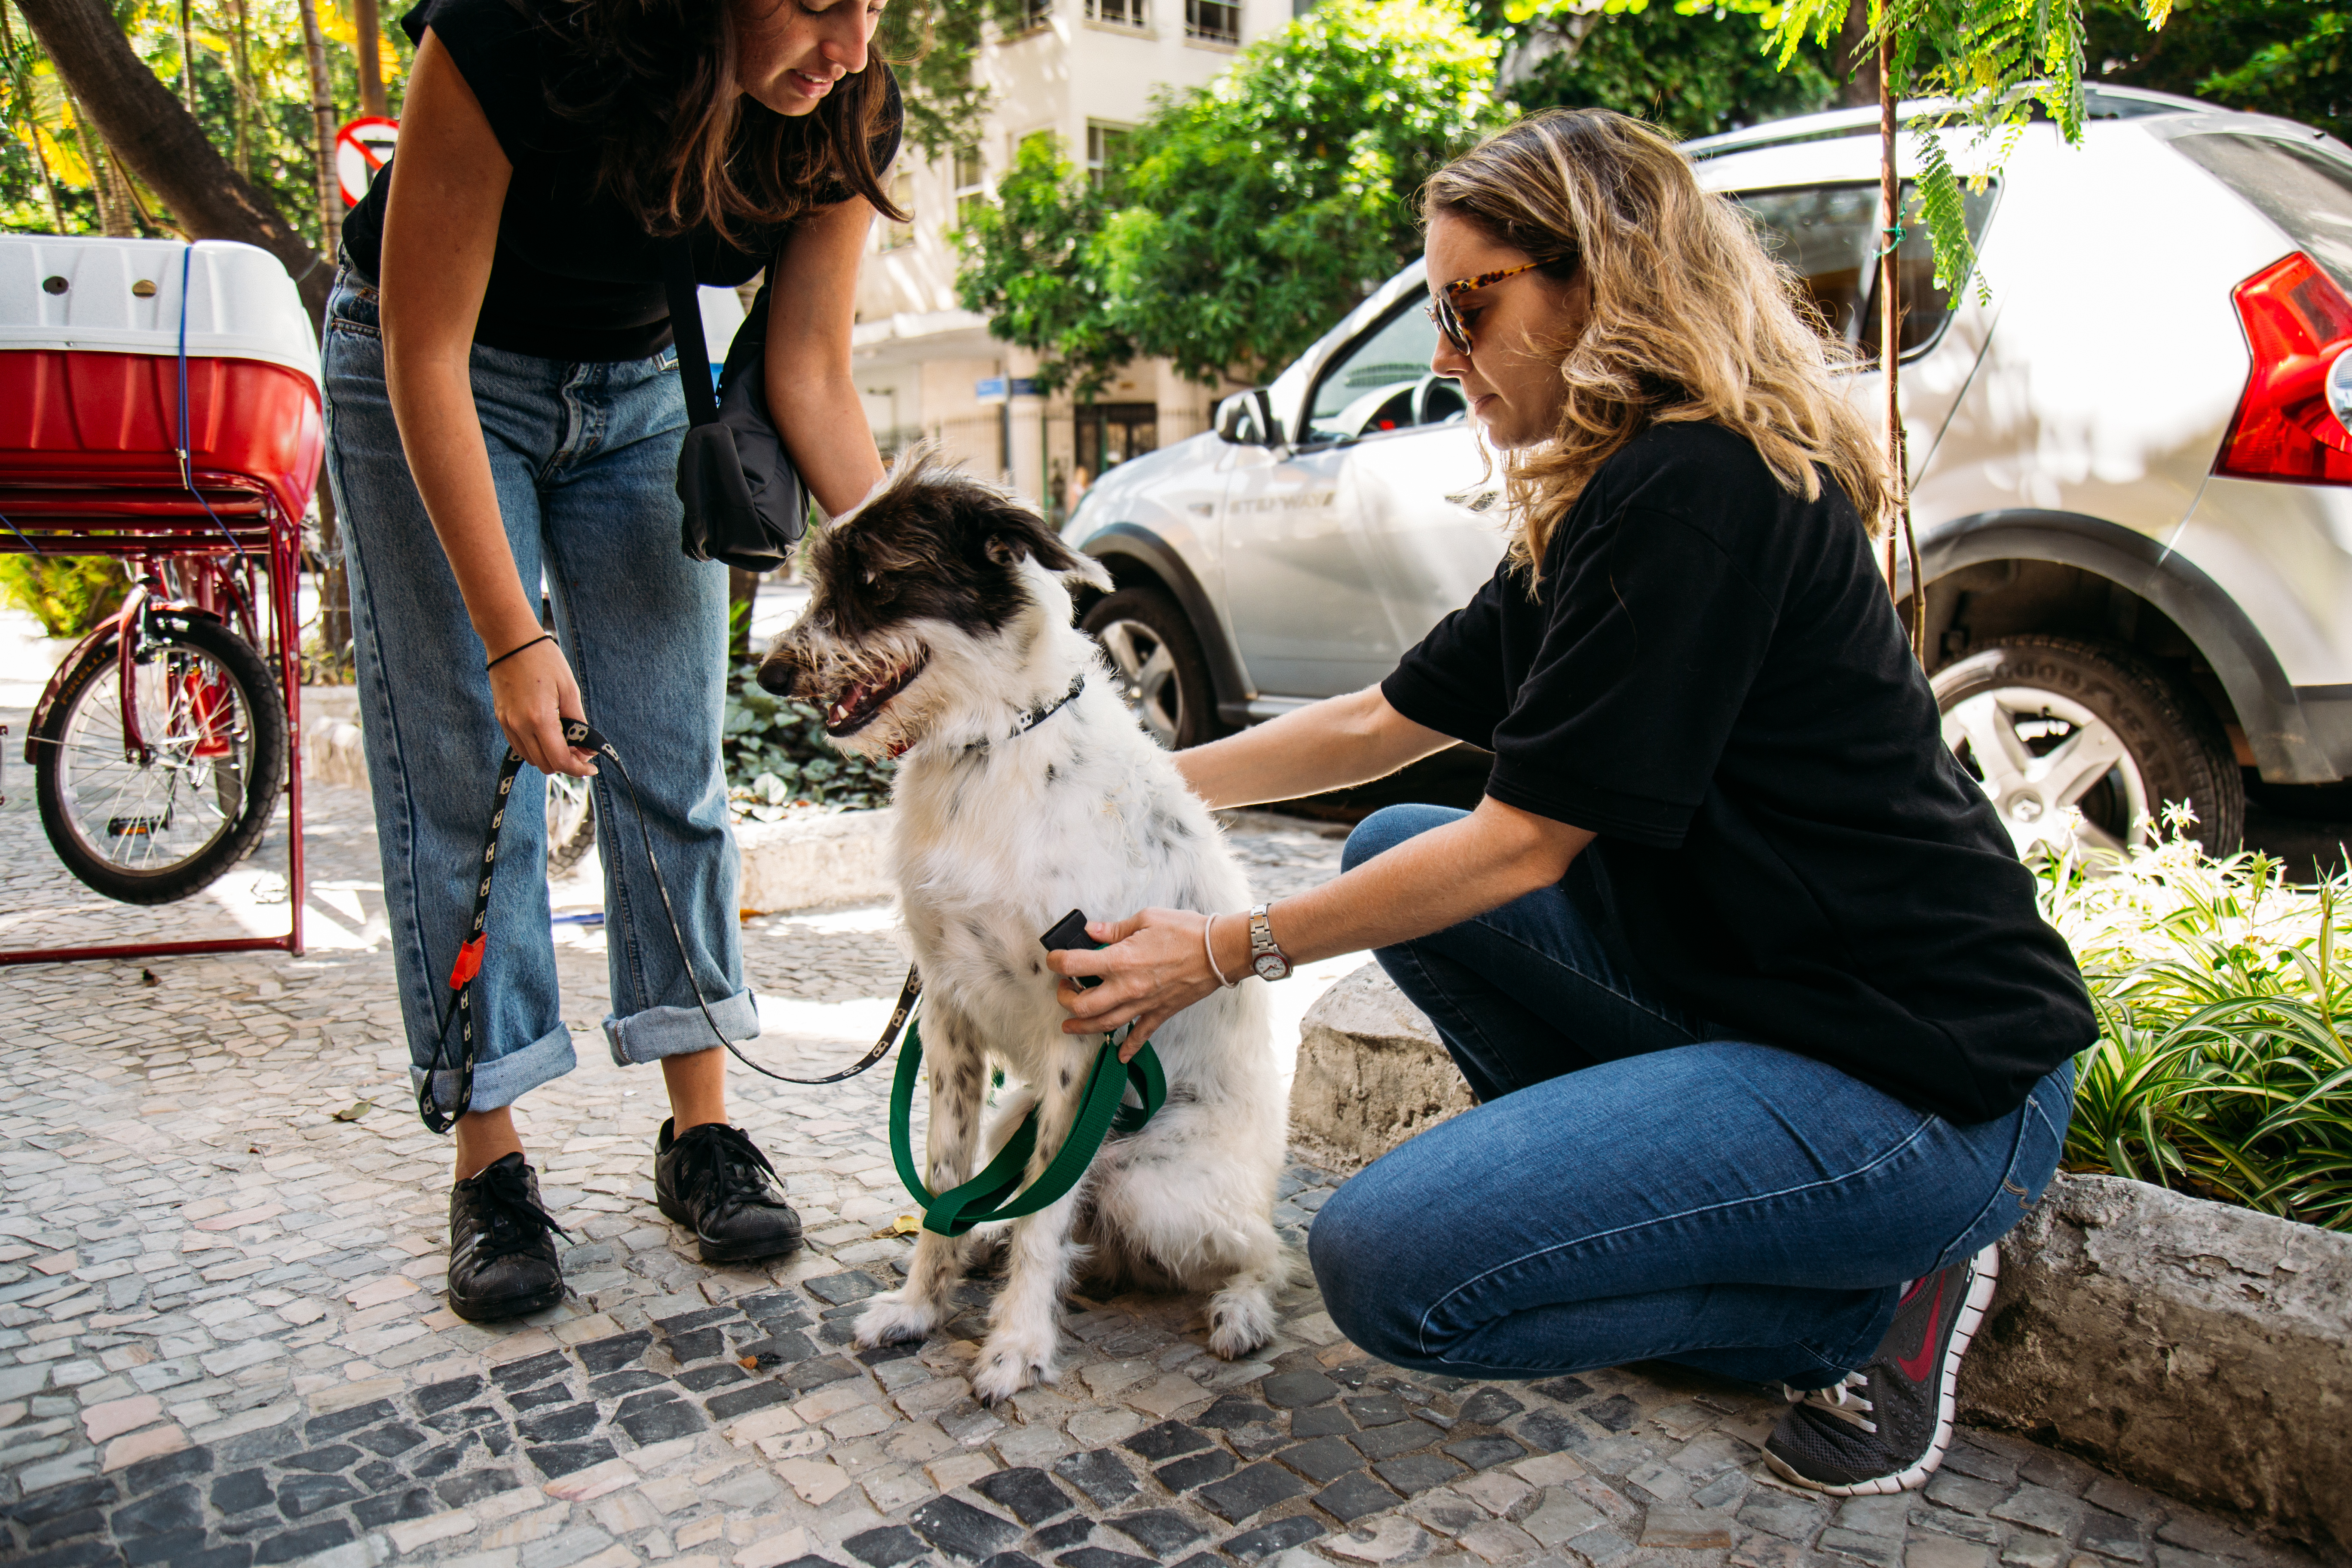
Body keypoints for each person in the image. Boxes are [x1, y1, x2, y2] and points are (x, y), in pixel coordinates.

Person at [1047, 109, 2092, 1497]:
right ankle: (1658, 1220)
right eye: (1437, 310)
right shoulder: (1619, 493)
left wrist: (1222, 951)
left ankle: (1864, 1305)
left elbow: (1525, 845)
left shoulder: (1696, 490)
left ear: (1599, 278)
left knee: (1391, 1267)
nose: (1444, 354)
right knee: (1393, 841)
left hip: (1928, 1083)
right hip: (1777, 1004)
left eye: (1471, 305)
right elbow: (1381, 723)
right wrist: (1112, 785)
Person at [323, 0, 903, 1320]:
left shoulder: (849, 104)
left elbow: (808, 370)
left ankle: (700, 1133)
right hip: (433, 375)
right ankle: (493, 1161)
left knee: (672, 762)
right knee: (470, 775)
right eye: (821, 4)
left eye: (876, 5)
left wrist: (911, 615)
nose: (852, 47)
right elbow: (424, 350)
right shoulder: (522, 30)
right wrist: (512, 641)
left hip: (646, 398)